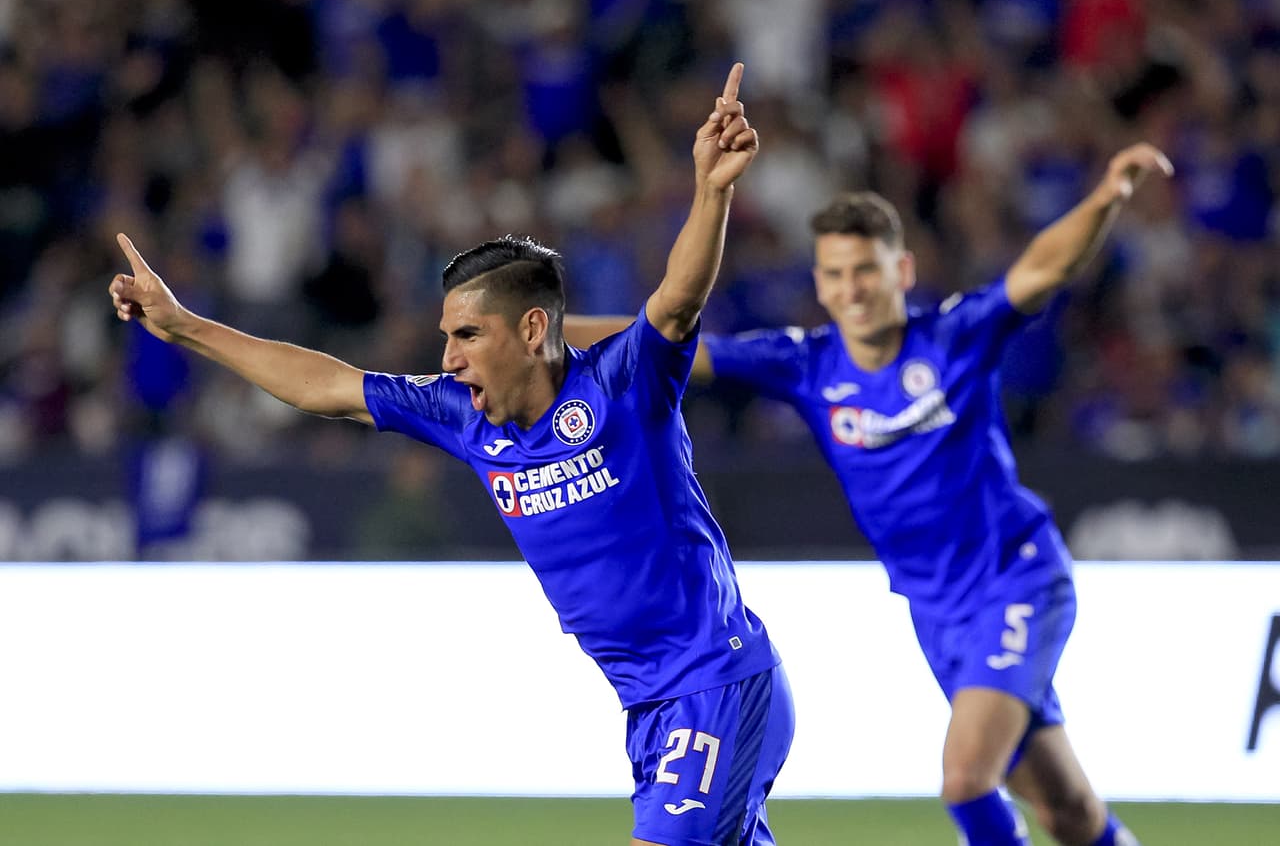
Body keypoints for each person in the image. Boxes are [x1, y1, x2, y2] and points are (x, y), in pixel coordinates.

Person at [109, 64, 796, 846]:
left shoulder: (625, 386)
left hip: (715, 681)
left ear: (532, 330)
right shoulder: (462, 417)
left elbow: (676, 299)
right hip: (648, 706)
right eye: (446, 335)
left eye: (467, 334)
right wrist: (188, 325)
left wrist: (711, 189)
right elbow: (325, 385)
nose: (449, 354)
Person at [566, 142, 1173, 846]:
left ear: (902, 270)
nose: (851, 287)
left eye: (865, 270)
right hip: (936, 612)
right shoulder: (805, 364)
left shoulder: (952, 337)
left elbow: (1043, 268)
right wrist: (544, 342)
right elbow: (659, 342)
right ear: (820, 285)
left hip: (1016, 580)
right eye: (835, 274)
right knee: (1067, 810)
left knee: (966, 777)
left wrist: (1106, 195)